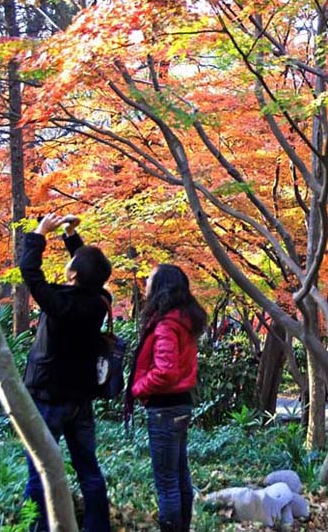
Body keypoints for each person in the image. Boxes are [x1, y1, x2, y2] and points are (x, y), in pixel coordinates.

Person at [20, 213, 112, 531]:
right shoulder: (100, 300)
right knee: (88, 468)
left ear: (73, 274)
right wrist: (72, 237)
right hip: (80, 399)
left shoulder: (60, 303)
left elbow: (30, 273)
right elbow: (91, 273)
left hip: (49, 397)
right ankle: (98, 526)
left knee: (41, 471)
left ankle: (38, 527)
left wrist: (40, 233)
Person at [126, 264, 207, 532]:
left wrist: (137, 388)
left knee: (167, 482)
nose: (145, 282)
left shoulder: (166, 324)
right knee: (179, 476)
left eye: (149, 278)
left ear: (161, 285)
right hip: (181, 404)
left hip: (164, 408)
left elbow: (166, 371)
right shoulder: (183, 319)